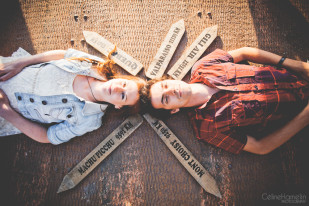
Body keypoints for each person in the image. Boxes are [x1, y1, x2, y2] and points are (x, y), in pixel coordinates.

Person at [143, 47, 309, 155]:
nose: (171, 90)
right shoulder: (208, 129)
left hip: (298, 73)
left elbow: (244, 52)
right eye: (166, 99)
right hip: (301, 107)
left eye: (165, 85)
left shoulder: (203, 66)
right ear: (173, 110)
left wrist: (298, 66)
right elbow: (261, 147)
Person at [0, 47, 145, 145]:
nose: (118, 88)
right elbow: (63, 54)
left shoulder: (89, 120)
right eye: (124, 84)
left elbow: (48, 137)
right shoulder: (94, 64)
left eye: (123, 96)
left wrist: (6, 111)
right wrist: (19, 63)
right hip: (8, 71)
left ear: (118, 106)